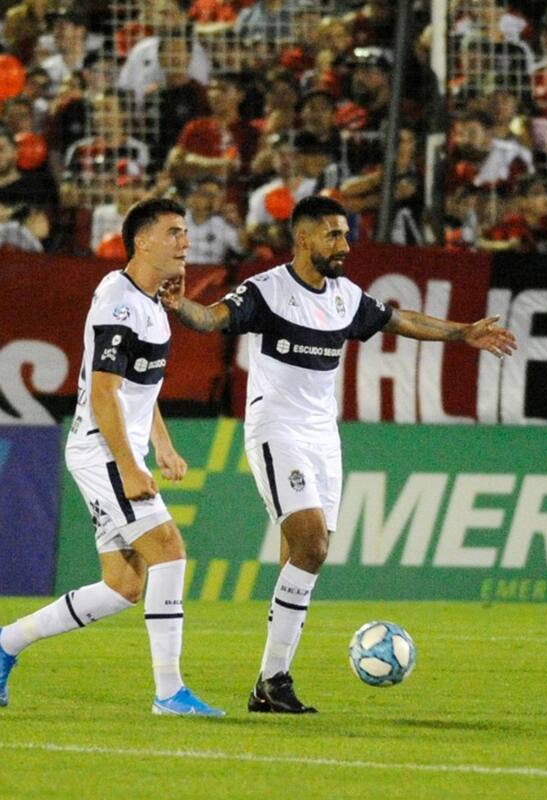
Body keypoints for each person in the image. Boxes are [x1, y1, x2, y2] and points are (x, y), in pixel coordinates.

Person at [162, 195, 516, 712]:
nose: (344, 245)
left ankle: (269, 685)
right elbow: (213, 318)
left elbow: (398, 320)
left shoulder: (345, 297)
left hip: (323, 437)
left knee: (303, 552)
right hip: (276, 428)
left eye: (346, 234)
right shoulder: (267, 290)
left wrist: (462, 333)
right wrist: (180, 308)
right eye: (333, 235)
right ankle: (274, 679)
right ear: (303, 238)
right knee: (312, 546)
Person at [0, 199, 223, 717]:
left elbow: (137, 388)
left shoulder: (153, 305)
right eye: (174, 232)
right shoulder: (119, 303)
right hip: (103, 450)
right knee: (169, 549)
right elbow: (103, 391)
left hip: (114, 448)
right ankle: (169, 693)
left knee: (123, 586)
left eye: (185, 232)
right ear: (141, 241)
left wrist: (161, 443)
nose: (186, 242)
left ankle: (6, 643)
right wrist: (128, 465)